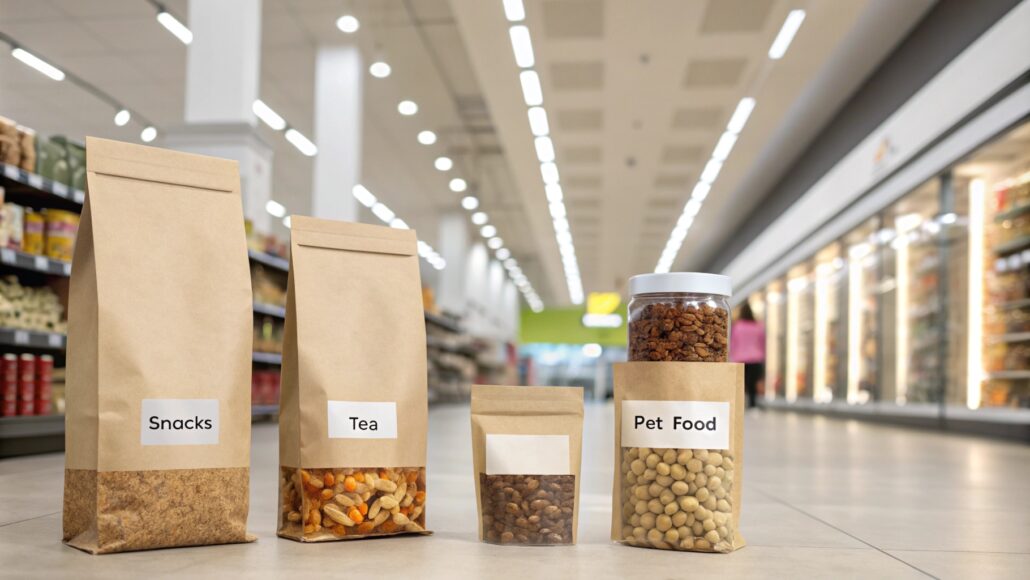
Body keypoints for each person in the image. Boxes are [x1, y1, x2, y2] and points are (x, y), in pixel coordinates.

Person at [730, 302, 765, 409]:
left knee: (741, 383)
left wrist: (732, 356)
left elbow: (733, 342)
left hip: (740, 358)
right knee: (753, 383)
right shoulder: (758, 326)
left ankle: (740, 404)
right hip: (755, 358)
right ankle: (753, 405)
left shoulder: (738, 326)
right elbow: (762, 342)